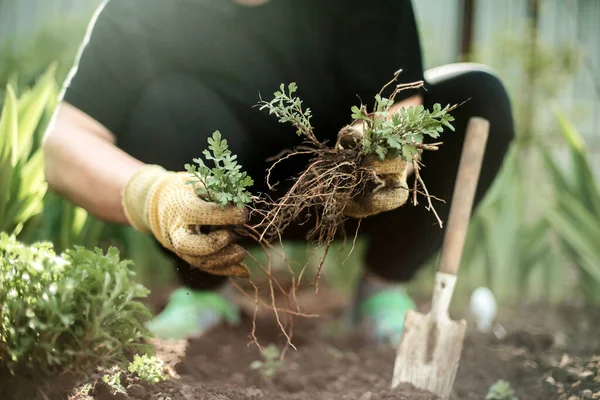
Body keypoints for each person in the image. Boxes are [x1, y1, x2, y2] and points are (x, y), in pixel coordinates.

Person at [43, 0, 514, 344]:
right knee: (166, 104)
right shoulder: (143, 11)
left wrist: (382, 152)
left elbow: (400, 108)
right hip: (215, 209)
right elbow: (64, 145)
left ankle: (380, 294)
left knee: (481, 101)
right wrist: (155, 195)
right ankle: (206, 290)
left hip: (346, 200)